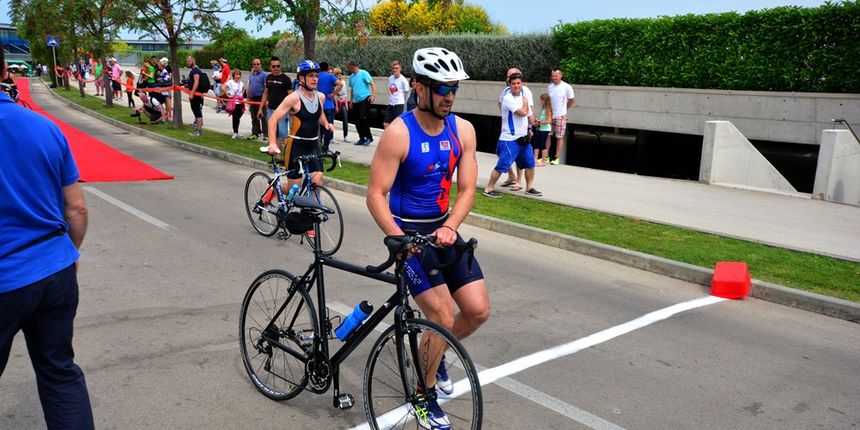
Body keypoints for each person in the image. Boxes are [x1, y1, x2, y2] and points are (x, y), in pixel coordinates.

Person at [367, 47, 489, 430]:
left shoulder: (463, 130)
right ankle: (423, 391)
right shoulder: (399, 133)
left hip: (444, 229)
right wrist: (398, 239)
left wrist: (451, 225)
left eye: (453, 87)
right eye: (441, 88)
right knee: (440, 313)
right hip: (410, 234)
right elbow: (374, 195)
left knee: (477, 310)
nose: (449, 95)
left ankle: (434, 354)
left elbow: (468, 188)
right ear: (419, 87)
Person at [0, 43, 95, 429]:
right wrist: (66, 257)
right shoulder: (43, 126)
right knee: (59, 372)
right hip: (54, 270)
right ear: (4, 70)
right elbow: (77, 208)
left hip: (7, 277)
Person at [266, 60, 334, 190]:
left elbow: (319, 114)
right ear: (301, 78)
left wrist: (326, 124)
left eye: (316, 76)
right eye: (310, 76)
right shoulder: (293, 98)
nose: (315, 79)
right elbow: (273, 119)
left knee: (317, 182)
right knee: (294, 189)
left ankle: (312, 210)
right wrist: (273, 143)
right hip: (296, 147)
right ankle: (272, 190)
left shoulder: (320, 97)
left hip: (313, 145)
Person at [483, 72, 541, 197]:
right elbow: (522, 112)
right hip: (509, 139)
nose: (516, 86)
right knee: (502, 165)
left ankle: (529, 187)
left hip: (523, 139)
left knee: (530, 163)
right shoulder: (508, 98)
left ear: (522, 84)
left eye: (518, 83)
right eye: (513, 83)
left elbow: (530, 116)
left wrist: (534, 123)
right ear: (509, 85)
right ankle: (489, 188)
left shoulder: (523, 98)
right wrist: (525, 104)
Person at [498, 68, 535, 190]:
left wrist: (530, 127)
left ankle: (519, 181)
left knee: (523, 157)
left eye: (514, 77)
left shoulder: (525, 92)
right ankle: (511, 176)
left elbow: (529, 110)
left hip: (520, 133)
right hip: (508, 130)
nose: (511, 79)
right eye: (509, 77)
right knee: (500, 152)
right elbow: (500, 103)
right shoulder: (506, 92)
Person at [259, 56, 292, 150]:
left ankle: (287, 157)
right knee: (274, 134)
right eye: (274, 66)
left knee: (283, 134)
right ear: (270, 67)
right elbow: (265, 93)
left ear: (280, 66)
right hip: (270, 109)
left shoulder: (286, 79)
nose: (276, 68)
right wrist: (261, 108)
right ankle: (278, 156)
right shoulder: (268, 77)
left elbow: (291, 95)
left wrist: (288, 110)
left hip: (282, 111)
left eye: (278, 66)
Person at [547, 67, 575, 165]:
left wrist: (564, 109)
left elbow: (571, 100)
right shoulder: (550, 87)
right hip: (550, 114)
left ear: (561, 76)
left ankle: (556, 157)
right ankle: (545, 156)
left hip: (561, 115)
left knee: (559, 137)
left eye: (556, 75)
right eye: (553, 75)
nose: (554, 77)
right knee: (548, 135)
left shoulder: (567, 87)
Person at [346, 59, 375, 146]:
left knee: (363, 117)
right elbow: (352, 89)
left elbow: (372, 84)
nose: (348, 69)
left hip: (364, 98)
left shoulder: (363, 73)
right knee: (357, 120)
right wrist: (351, 101)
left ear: (353, 66)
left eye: (348, 67)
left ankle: (369, 137)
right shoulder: (351, 77)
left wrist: (373, 95)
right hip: (356, 100)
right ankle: (361, 138)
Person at [317, 61, 341, 153]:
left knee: (319, 127)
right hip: (329, 105)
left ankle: (319, 143)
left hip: (319, 105)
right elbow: (340, 84)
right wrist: (334, 93)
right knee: (328, 126)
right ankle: (325, 147)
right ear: (328, 68)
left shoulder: (317, 76)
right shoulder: (330, 76)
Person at [246, 58, 268, 140]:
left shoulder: (264, 75)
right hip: (252, 98)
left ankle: (266, 134)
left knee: (263, 117)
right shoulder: (251, 74)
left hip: (261, 98)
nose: (256, 66)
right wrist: (248, 96)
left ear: (261, 65)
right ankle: (255, 133)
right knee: (254, 117)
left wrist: (266, 99)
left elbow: (266, 88)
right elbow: (249, 85)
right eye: (254, 64)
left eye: (258, 64)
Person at [384, 60, 410, 129]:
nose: (395, 70)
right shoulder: (390, 78)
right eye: (393, 68)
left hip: (399, 104)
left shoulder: (403, 80)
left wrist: (405, 106)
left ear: (400, 69)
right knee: (386, 123)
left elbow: (407, 93)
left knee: (397, 124)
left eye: (396, 68)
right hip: (391, 103)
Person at [186, 56, 204, 136]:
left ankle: (199, 131)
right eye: (187, 61)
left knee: (197, 112)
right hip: (194, 94)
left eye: (189, 61)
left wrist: (192, 93)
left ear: (193, 61)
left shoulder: (196, 70)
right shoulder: (193, 70)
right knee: (195, 112)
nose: (188, 63)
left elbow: (196, 82)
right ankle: (197, 129)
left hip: (196, 95)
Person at [225, 69, 246, 138]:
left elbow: (243, 90)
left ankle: (237, 131)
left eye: (239, 74)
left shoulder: (241, 83)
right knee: (235, 117)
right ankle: (235, 132)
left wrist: (242, 96)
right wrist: (228, 95)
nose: (238, 76)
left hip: (240, 102)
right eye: (237, 74)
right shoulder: (230, 82)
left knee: (238, 117)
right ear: (234, 75)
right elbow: (223, 88)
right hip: (234, 103)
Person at [534, 93, 553, 166]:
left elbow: (549, 120)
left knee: (543, 145)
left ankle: (543, 161)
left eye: (541, 100)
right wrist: (539, 121)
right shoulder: (543, 108)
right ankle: (535, 159)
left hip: (545, 129)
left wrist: (540, 122)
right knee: (536, 143)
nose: (540, 102)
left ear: (544, 101)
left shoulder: (547, 109)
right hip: (541, 128)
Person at [333, 66, 349, 140]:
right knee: (331, 119)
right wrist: (336, 105)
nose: (339, 74)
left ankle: (345, 135)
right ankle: (331, 136)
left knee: (345, 119)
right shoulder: (334, 83)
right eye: (337, 73)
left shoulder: (343, 82)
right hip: (335, 101)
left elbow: (343, 93)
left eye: (340, 73)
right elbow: (335, 94)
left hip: (343, 101)